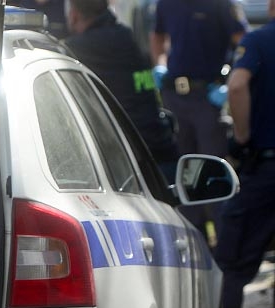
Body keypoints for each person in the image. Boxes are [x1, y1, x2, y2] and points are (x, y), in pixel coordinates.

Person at [212, 0, 275, 308]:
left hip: (264, 168)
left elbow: (236, 85)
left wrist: (242, 137)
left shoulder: (259, 40)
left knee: (233, 263)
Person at [150, 0, 246, 229]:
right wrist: (159, 64)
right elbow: (157, 36)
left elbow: (243, 41)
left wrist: (229, 80)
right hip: (174, 96)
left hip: (208, 97)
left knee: (213, 171)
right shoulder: (166, 3)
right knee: (183, 173)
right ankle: (193, 236)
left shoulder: (221, 4)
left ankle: (223, 239)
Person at [64, 0, 179, 183]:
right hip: (157, 151)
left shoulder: (76, 50)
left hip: (128, 164)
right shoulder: (127, 36)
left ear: (74, 15)